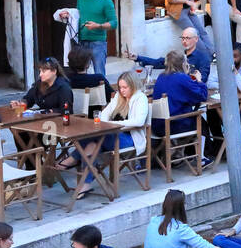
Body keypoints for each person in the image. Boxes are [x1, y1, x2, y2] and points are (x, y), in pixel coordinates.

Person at [61, 70, 148, 199]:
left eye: (125, 87)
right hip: (111, 134)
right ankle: (86, 184)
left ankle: (74, 157)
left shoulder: (141, 98)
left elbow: (139, 121)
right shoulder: (119, 97)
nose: (122, 90)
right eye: (120, 87)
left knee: (94, 135)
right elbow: (104, 115)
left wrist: (113, 125)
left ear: (133, 85)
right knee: (91, 144)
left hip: (130, 139)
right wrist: (107, 124)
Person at [150, 49, 209, 160]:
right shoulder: (182, 78)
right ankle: (200, 158)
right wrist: (199, 80)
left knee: (190, 116)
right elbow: (202, 96)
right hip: (173, 126)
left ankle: (179, 153)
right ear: (183, 64)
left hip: (157, 126)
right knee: (201, 122)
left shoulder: (160, 77)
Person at [135, 26, 213, 83]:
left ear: (196, 39)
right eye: (182, 38)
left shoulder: (203, 58)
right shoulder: (178, 56)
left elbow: (203, 79)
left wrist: (189, 75)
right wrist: (137, 57)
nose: (184, 41)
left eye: (187, 38)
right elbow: (158, 62)